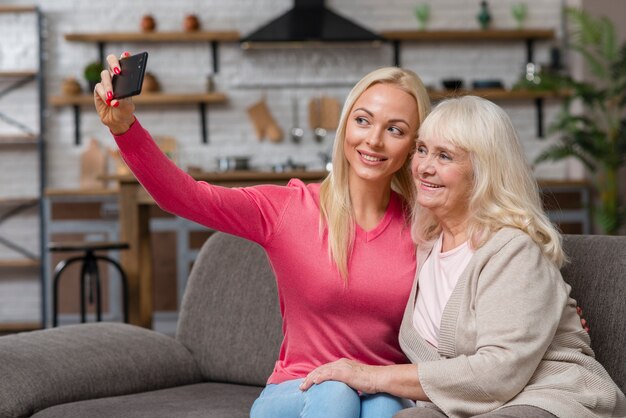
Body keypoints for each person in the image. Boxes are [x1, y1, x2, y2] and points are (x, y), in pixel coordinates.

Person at [94, 55, 431, 418]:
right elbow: (186, 197)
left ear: (414, 146)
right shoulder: (289, 208)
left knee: (385, 408)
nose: (374, 140)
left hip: (379, 388)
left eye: (395, 130)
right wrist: (125, 129)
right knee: (336, 393)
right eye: (363, 121)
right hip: (298, 390)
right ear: (346, 127)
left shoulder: (424, 227)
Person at [300, 96, 626, 418]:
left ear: (483, 171)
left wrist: (368, 375)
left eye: (445, 156)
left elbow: (499, 373)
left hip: (546, 396)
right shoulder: (423, 244)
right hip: (460, 406)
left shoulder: (512, 250)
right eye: (422, 150)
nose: (425, 167)